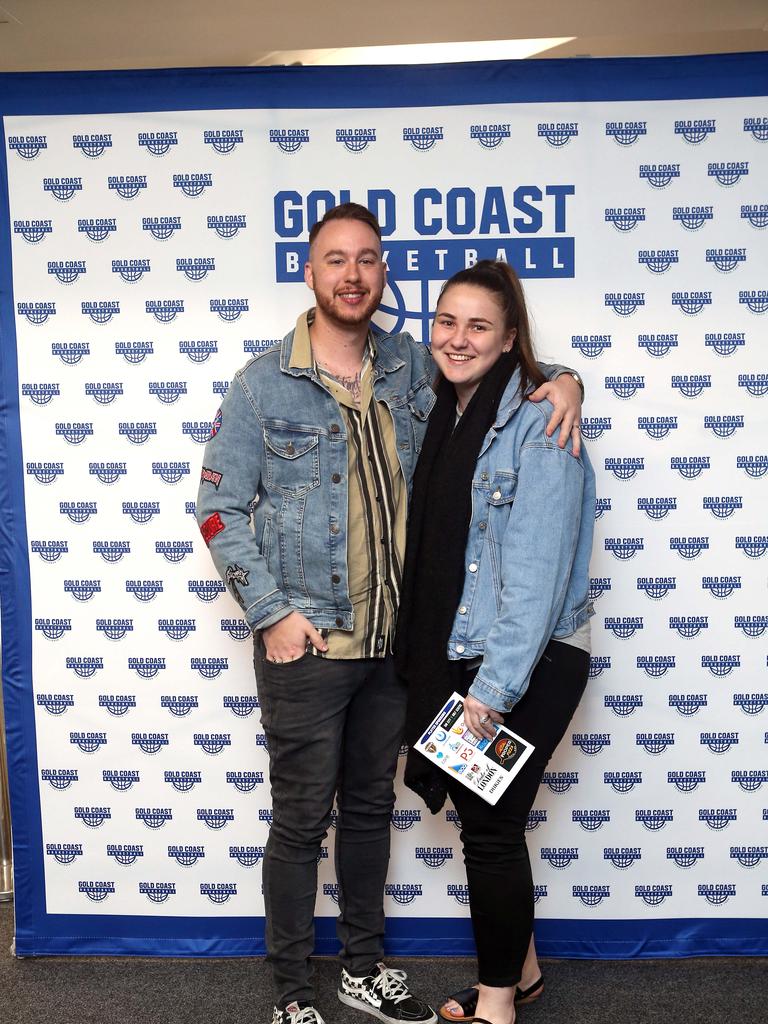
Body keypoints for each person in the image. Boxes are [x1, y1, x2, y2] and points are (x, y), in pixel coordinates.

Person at [196, 206, 584, 1024]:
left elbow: (508, 383)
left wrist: (565, 382)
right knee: (303, 817)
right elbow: (217, 509)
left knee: (374, 809)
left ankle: (363, 970)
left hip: (398, 650)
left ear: (382, 275)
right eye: (334, 259)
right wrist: (270, 614)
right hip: (309, 644)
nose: (352, 275)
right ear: (309, 273)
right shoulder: (262, 383)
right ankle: (294, 992)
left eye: (367, 260)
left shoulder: (415, 368)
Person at [396, 261, 595, 1024]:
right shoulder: (442, 414)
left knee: (490, 826)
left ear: (511, 338)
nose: (458, 338)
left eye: (479, 326)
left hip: (525, 660)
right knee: (488, 819)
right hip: (470, 650)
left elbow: (537, 583)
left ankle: (498, 1003)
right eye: (446, 321)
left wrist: (492, 692)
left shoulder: (544, 425)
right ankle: (527, 972)